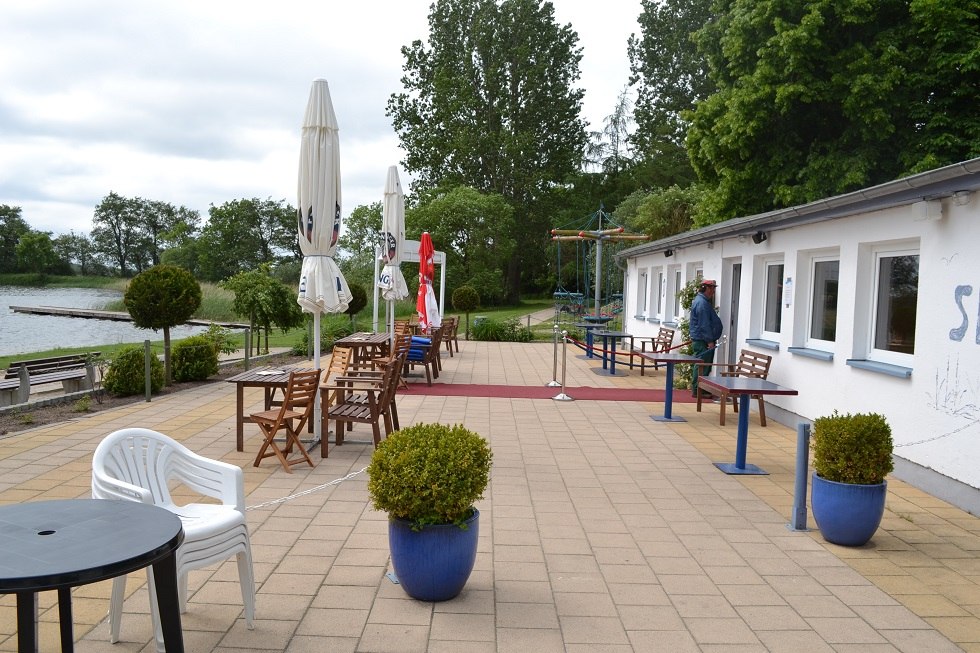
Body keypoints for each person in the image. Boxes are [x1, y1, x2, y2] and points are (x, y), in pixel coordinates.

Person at [689, 279, 724, 396]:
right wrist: (709, 341)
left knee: (704, 365)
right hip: (703, 341)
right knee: (702, 365)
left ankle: (699, 388)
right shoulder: (702, 303)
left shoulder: (701, 301)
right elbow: (704, 324)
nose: (713, 291)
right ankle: (697, 390)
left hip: (702, 339)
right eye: (712, 288)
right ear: (706, 289)